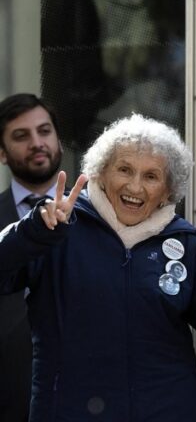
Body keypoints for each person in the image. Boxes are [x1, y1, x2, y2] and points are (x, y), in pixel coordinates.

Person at [0, 114, 196, 421]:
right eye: (124, 169)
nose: (135, 186)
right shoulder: (57, 224)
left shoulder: (186, 241)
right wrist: (33, 232)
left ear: (168, 190)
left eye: (151, 176)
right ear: (101, 173)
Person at [0, 93, 62, 422]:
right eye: (21, 136)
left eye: (45, 131)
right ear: (2, 153)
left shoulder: (101, 212)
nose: (37, 143)